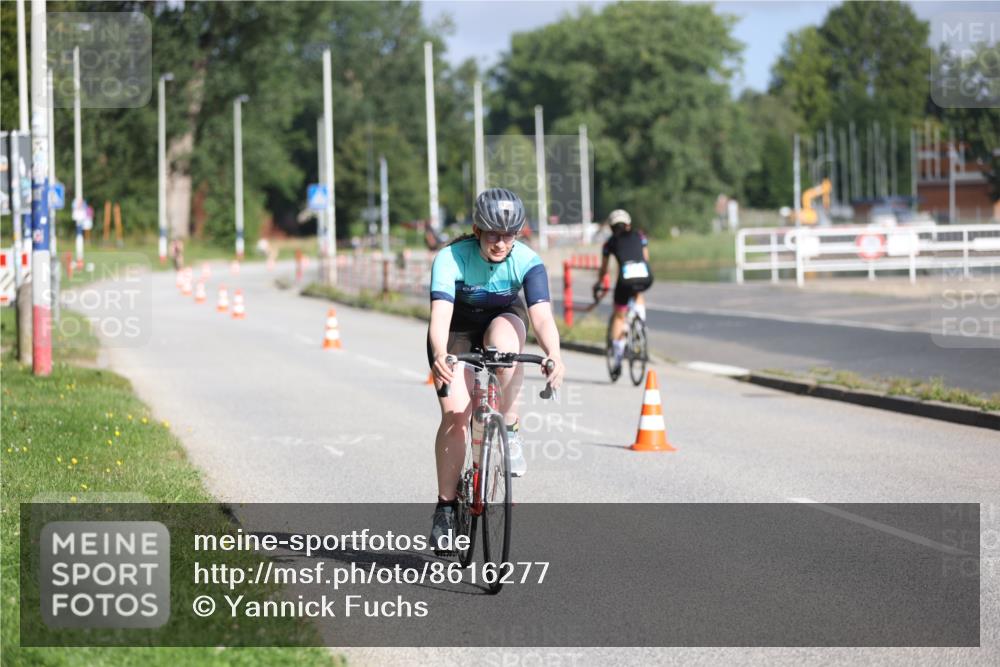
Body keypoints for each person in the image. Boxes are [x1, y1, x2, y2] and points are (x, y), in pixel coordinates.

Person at [427, 187, 565, 549]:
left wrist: (554, 353)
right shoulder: (450, 258)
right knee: (457, 415)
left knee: (506, 349)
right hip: (456, 330)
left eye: (508, 235)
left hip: (502, 320)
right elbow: (439, 317)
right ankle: (444, 509)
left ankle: (511, 429)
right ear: (477, 230)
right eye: (492, 234)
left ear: (518, 234)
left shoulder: (529, 261)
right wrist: (440, 353)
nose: (500, 243)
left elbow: (542, 317)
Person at [594, 209, 653, 374]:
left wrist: (599, 283)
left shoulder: (609, 243)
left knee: (619, 316)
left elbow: (604, 269)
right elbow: (646, 259)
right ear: (628, 225)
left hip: (625, 280)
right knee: (638, 293)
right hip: (645, 276)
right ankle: (640, 323)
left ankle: (618, 357)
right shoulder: (640, 236)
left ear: (612, 228)